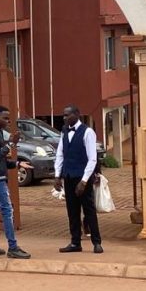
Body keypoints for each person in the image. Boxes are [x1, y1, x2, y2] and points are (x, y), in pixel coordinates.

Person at [0, 106, 31, 259]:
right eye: (5, 118)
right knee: (7, 210)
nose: (8, 121)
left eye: (9, 118)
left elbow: (1, 160)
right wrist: (10, 145)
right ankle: (13, 247)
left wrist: (17, 164)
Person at [54, 105, 103, 254]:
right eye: (63, 115)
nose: (64, 118)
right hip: (68, 176)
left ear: (76, 115)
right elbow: (60, 154)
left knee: (89, 210)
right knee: (72, 211)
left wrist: (84, 180)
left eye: (67, 115)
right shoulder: (64, 131)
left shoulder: (87, 132)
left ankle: (96, 242)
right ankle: (75, 242)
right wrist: (57, 175)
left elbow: (92, 159)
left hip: (82, 178)